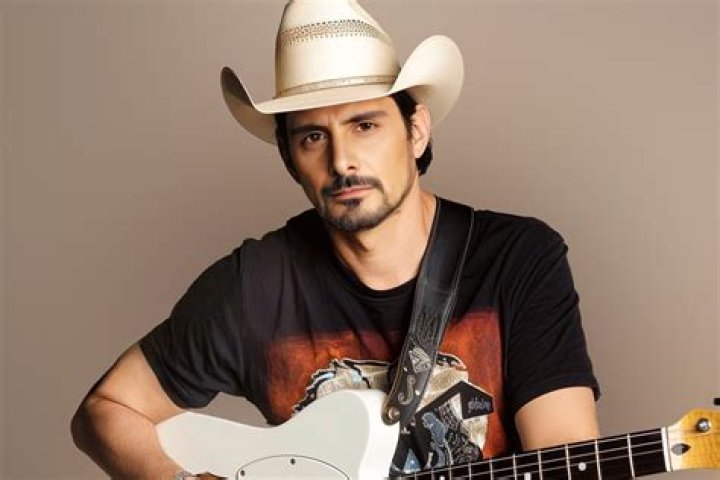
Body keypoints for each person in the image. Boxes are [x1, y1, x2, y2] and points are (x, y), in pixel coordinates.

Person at [71, 0, 600, 478]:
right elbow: (105, 410)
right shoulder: (255, 286)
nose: (341, 160)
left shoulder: (518, 260)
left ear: (416, 130)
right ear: (289, 159)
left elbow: (564, 453)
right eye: (312, 136)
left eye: (364, 125)